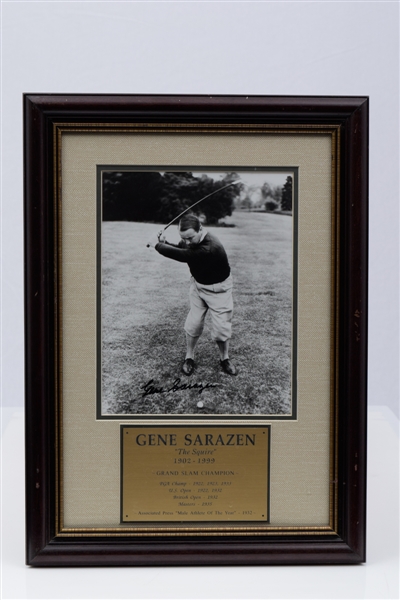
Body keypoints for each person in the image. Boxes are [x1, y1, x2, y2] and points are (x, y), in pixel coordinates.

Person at [147, 214, 237, 376]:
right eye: (184, 238)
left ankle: (225, 358)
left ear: (200, 229)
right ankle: (189, 357)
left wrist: (157, 245)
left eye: (190, 238)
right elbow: (182, 248)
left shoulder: (210, 248)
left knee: (221, 328)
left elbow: (184, 255)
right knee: (193, 323)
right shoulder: (192, 241)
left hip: (219, 290)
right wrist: (164, 242)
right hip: (198, 286)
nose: (187, 242)